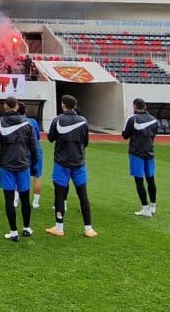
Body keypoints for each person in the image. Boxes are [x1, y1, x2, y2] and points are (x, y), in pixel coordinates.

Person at [0, 97, 40, 242]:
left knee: (9, 200)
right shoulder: (28, 123)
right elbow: (33, 146)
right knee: (25, 199)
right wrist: (35, 163)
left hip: (6, 166)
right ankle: (27, 228)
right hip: (24, 165)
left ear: (4, 106)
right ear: (17, 106)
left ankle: (13, 232)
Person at [47, 95, 96, 238]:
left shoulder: (57, 120)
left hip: (61, 163)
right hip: (79, 163)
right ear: (75, 105)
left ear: (63, 105)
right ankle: (88, 229)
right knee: (83, 195)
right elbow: (86, 142)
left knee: (60, 195)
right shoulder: (83, 121)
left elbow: (50, 138)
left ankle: (59, 227)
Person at [121, 98, 158, 218]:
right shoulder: (153, 119)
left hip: (136, 152)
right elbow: (154, 135)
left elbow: (125, 135)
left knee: (139, 180)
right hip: (150, 152)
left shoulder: (132, 119)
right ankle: (153, 206)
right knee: (151, 179)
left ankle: (145, 208)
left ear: (134, 106)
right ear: (145, 106)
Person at [18, 102, 43, 209]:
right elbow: (37, 137)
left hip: (22, 151)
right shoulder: (33, 122)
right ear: (26, 111)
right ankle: (35, 202)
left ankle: (16, 200)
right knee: (37, 176)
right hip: (35, 150)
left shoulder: (14, 122)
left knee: (20, 175)